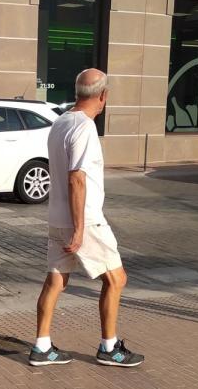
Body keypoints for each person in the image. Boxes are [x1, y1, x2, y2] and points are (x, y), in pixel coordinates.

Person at [29, 68, 144, 368]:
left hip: (57, 217)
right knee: (116, 279)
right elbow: (76, 178)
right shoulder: (84, 127)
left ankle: (42, 347)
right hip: (85, 220)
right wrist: (80, 229)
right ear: (104, 95)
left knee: (56, 279)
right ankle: (109, 348)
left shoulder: (60, 122)